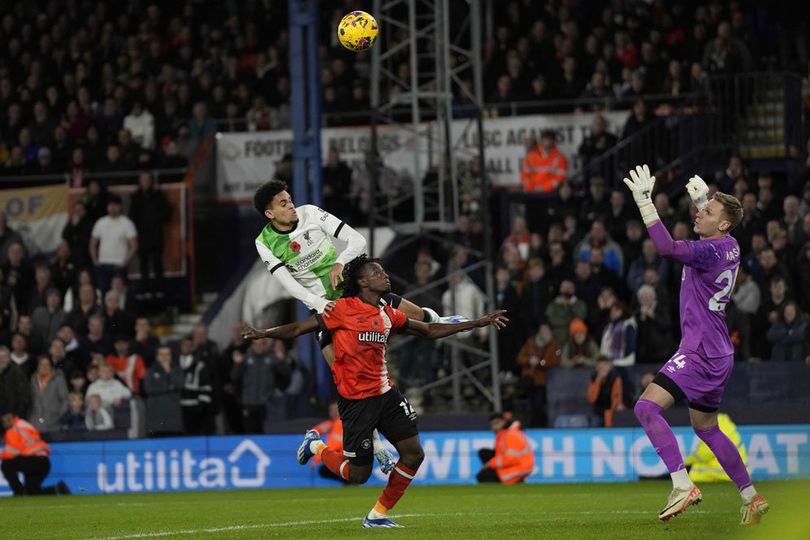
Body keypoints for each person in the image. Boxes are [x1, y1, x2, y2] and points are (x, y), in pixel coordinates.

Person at [241, 255, 508, 528]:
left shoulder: (387, 312)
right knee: (358, 475)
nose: (385, 275)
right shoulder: (341, 309)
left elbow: (428, 330)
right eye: (377, 272)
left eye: (383, 271)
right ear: (362, 281)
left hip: (386, 394)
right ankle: (316, 446)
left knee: (414, 454)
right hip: (356, 402)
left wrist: (476, 323)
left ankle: (377, 515)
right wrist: (264, 333)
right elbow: (299, 327)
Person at [252, 180, 453, 471]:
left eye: (290, 199)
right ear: (270, 214)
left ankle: (447, 320)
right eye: (283, 203)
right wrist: (320, 304)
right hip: (329, 309)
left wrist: (340, 262)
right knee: (344, 378)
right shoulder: (264, 243)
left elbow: (357, 240)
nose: (291, 205)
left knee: (419, 317)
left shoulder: (310, 213)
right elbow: (288, 283)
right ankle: (369, 445)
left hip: (355, 295)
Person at [624, 165, 768, 523]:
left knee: (645, 408)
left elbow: (666, 248)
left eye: (705, 211)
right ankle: (751, 496)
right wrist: (708, 200)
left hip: (700, 351)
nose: (697, 212)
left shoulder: (709, 250)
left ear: (722, 224)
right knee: (706, 428)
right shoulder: (730, 245)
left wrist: (645, 203)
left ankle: (681, 483)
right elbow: (715, 236)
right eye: (700, 208)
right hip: (719, 352)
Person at [0, 413, 70, 496]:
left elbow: (12, 452)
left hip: (34, 460)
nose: (4, 423)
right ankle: (58, 489)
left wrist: (1, 454)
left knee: (7, 464)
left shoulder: (13, 430)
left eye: (5, 420)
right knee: (32, 491)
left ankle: (19, 492)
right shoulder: (23, 424)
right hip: (43, 462)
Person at [129, 171, 170, 300]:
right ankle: (145, 289)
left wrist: (155, 221)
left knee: (157, 263)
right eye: (143, 179)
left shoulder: (158, 195)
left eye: (147, 179)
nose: (145, 182)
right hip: (141, 236)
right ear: (139, 181)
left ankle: (160, 289)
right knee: (144, 265)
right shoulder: (135, 197)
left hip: (156, 235)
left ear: (151, 181)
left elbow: (166, 213)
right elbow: (132, 217)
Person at [90, 194, 138, 294]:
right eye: (110, 205)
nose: (113, 208)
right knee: (103, 292)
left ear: (120, 207)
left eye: (115, 205)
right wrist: (95, 261)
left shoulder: (126, 223)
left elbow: (134, 245)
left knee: (119, 292)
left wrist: (125, 262)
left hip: (119, 265)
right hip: (103, 264)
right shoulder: (101, 222)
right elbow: (92, 243)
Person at [684, 413, 748, 483]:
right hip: (738, 473)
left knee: (694, 469)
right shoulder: (724, 424)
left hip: (722, 474)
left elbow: (705, 453)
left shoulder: (712, 427)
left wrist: (686, 463)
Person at [476, 412, 535, 484]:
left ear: (504, 422)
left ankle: (517, 480)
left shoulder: (510, 435)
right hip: (516, 464)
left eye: (497, 423)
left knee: (483, 476)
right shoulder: (503, 434)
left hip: (519, 468)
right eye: (492, 424)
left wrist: (490, 464)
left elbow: (510, 459)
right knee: (483, 453)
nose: (494, 426)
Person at [144, 345, 185, 437]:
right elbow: (149, 389)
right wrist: (169, 388)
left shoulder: (176, 369)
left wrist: (169, 371)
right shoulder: (151, 371)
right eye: (161, 354)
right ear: (157, 356)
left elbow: (180, 384)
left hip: (173, 418)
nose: (164, 357)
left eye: (167, 354)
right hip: (156, 417)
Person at [309, 401, 349, 483]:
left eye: (335, 410)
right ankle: (349, 481)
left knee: (323, 470)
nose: (332, 412)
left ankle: (349, 481)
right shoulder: (334, 423)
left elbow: (334, 445)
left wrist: (317, 459)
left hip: (345, 458)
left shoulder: (339, 423)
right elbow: (315, 430)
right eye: (331, 410)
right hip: (349, 457)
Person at [29, 355, 69, 433]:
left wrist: (58, 416)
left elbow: (65, 400)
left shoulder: (58, 379)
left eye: (47, 364)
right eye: (41, 364)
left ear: (51, 366)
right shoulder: (33, 379)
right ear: (38, 366)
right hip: (34, 422)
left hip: (53, 423)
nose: (44, 367)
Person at [587, 356, 624, 427]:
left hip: (612, 411)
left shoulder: (616, 378)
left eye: (604, 366)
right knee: (595, 422)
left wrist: (616, 408)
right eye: (600, 367)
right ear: (596, 368)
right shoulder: (593, 378)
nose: (602, 369)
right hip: (597, 412)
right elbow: (591, 399)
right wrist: (597, 381)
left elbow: (617, 397)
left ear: (609, 367)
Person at [0, 346, 30, 418]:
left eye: (3, 357)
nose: (1, 360)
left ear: (9, 358)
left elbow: (24, 395)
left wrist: (15, 414)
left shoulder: (17, 373)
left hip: (12, 416)